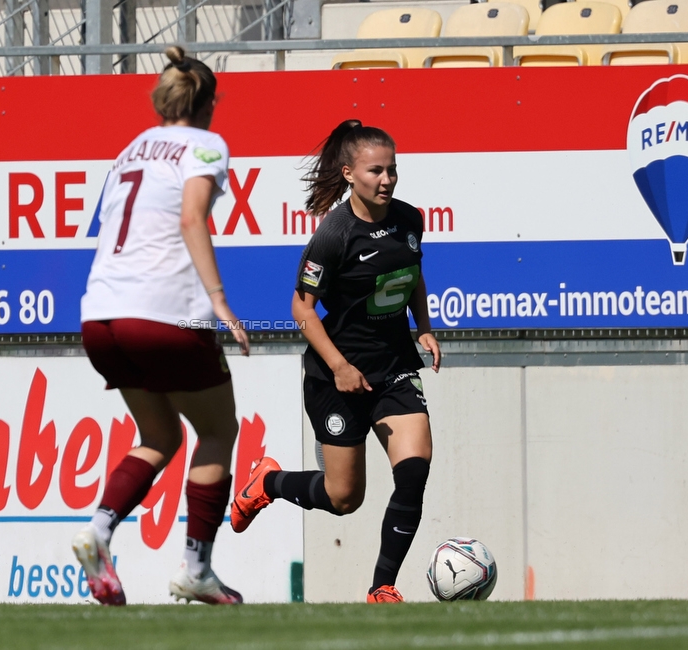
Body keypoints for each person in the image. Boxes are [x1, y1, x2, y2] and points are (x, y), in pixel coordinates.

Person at [230, 120, 441, 603]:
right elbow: (300, 307)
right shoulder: (334, 233)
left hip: (393, 368)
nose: (385, 180)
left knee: (414, 469)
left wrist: (424, 326)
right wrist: (341, 366)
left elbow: (414, 277)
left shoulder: (410, 219)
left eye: (392, 170)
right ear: (349, 173)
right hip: (334, 378)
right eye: (375, 171)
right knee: (344, 498)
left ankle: (382, 587)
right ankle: (269, 481)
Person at [74, 45, 250, 606]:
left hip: (101, 315)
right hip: (164, 311)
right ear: (210, 102)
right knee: (219, 432)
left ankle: (97, 532)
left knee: (160, 436)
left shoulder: (129, 150)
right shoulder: (206, 144)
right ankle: (196, 569)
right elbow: (191, 217)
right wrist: (219, 301)